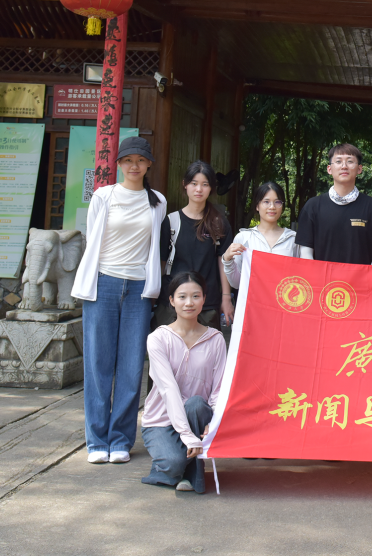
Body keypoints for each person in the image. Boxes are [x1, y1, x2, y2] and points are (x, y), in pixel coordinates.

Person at [72, 135, 167, 465]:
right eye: (128, 160)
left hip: (139, 289)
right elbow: (92, 237)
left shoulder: (157, 201)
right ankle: (97, 441)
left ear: (148, 164)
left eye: (140, 161)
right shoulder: (104, 196)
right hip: (104, 284)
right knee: (98, 363)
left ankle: (121, 440)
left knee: (131, 366)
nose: (134, 166)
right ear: (119, 164)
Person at [141, 272, 226, 493]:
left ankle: (186, 470)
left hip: (196, 416)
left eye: (196, 296)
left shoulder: (216, 339)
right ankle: (178, 469)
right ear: (171, 301)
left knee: (196, 403)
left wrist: (214, 421)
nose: (189, 303)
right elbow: (168, 389)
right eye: (182, 297)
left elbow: (218, 388)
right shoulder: (158, 339)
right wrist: (188, 436)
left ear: (204, 299)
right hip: (160, 421)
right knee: (173, 462)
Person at [157, 162, 233, 332]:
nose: (199, 189)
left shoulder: (219, 223)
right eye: (194, 183)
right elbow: (161, 263)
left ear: (211, 188)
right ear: (185, 184)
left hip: (207, 303)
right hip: (174, 303)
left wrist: (226, 297)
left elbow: (224, 261)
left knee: (205, 348)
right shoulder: (171, 222)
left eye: (205, 184)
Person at [296, 143, 372, 265]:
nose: (344, 166)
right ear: (329, 169)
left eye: (350, 161)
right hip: (322, 277)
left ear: (359, 169)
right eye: (338, 161)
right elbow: (305, 251)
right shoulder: (313, 206)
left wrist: (370, 276)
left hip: (362, 277)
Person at [223, 181, 299, 289]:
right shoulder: (244, 238)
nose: (272, 207)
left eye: (277, 202)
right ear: (257, 206)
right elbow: (237, 284)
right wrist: (227, 260)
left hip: (283, 299)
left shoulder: (293, 239)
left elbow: (300, 279)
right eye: (266, 202)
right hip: (252, 300)